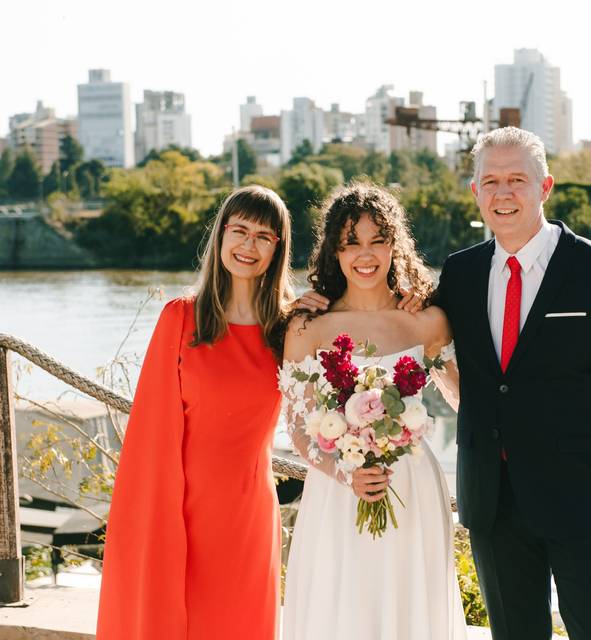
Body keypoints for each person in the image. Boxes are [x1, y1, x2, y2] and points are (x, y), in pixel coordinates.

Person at [432, 127, 591, 639]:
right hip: (492, 502)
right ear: (474, 192)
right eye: (490, 181)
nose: (503, 193)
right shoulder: (460, 274)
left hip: (583, 502)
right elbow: (397, 314)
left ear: (546, 186)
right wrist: (314, 302)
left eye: (518, 179)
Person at [96, 186, 293, 640]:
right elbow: (150, 434)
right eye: (239, 230)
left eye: (264, 236)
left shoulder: (288, 328)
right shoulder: (180, 319)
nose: (249, 245)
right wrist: (153, 521)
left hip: (248, 514)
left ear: (278, 249)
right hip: (181, 508)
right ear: (220, 235)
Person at [280, 183, 467, 640]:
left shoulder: (427, 322)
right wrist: (346, 474)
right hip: (337, 493)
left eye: (377, 240)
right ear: (335, 252)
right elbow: (299, 430)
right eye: (351, 243)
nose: (365, 255)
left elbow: (466, 402)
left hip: (413, 489)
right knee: (343, 611)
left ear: (395, 244)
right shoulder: (308, 326)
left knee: (409, 610)